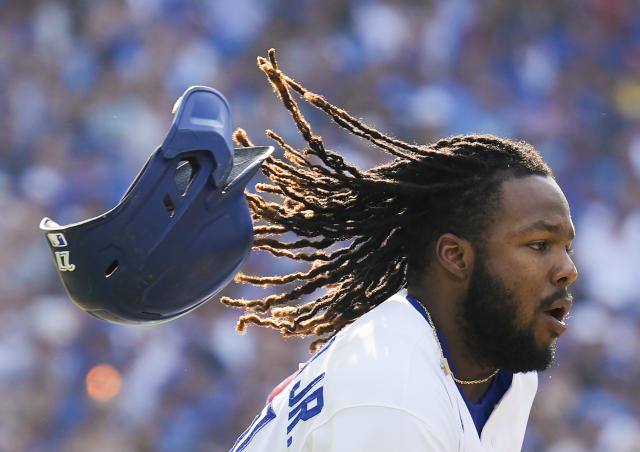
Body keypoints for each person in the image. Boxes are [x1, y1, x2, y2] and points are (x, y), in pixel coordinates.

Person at [223, 50, 578, 451]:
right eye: (539, 245)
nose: (567, 269)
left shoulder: (501, 369)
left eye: (566, 247)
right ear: (456, 257)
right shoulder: (395, 392)